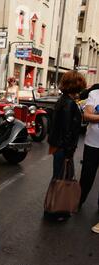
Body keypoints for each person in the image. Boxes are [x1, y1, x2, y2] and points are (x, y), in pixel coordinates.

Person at [47, 71, 86, 221]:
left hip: (58, 146)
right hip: (63, 148)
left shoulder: (63, 100)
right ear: (76, 85)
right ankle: (55, 211)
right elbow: (68, 130)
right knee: (61, 180)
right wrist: (69, 153)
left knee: (58, 178)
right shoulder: (69, 104)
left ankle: (54, 209)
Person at [79, 85, 99, 213]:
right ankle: (79, 201)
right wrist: (92, 116)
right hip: (92, 143)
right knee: (86, 176)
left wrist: (95, 116)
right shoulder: (95, 93)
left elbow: (92, 116)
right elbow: (87, 116)